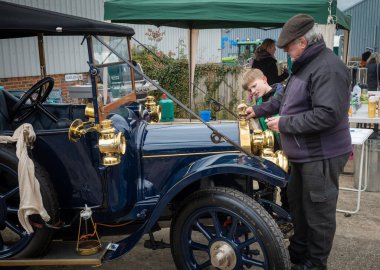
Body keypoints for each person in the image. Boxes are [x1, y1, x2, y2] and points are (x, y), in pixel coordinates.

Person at [246, 14, 351, 270]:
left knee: (318, 216)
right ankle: (299, 258)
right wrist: (257, 111)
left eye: (287, 48)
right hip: (303, 156)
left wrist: (284, 124)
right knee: (300, 212)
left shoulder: (327, 68)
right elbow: (283, 101)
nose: (285, 53)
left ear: (302, 42)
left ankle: (315, 265)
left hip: (321, 156)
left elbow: (327, 115)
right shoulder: (303, 66)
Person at [242, 68, 289, 211]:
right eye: (250, 90)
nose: (253, 92)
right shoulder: (259, 101)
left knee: (288, 192)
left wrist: (256, 110)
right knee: (266, 190)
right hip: (269, 155)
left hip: (287, 154)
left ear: (264, 79)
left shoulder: (281, 93)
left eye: (254, 86)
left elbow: (274, 105)